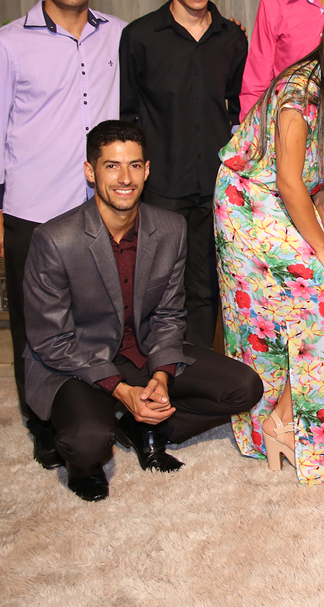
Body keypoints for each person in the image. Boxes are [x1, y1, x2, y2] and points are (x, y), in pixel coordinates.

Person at [22, 121, 262, 502]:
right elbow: (52, 340)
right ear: (90, 172)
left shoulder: (170, 228)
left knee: (245, 388)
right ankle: (100, 433)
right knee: (88, 442)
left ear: (147, 170)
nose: (125, 178)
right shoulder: (54, 240)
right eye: (112, 166)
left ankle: (140, 425)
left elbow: (169, 314)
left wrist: (161, 378)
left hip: (142, 352)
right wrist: (121, 390)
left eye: (134, 166)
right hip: (79, 362)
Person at [0, 0, 125, 472]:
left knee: (101, 316)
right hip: (34, 208)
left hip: (101, 208)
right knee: (36, 326)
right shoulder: (6, 44)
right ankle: (42, 423)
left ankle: (99, 408)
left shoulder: (118, 35)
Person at [216, 0, 324, 485]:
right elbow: (290, 181)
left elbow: (320, 168)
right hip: (248, 200)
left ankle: (283, 420)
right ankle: (275, 424)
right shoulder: (300, 92)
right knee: (321, 300)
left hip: (291, 197)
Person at [119, 0, 247, 349]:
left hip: (215, 187)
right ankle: (154, 372)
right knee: (153, 289)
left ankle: (195, 375)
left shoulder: (232, 38)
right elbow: (126, 113)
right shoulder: (139, 37)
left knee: (206, 289)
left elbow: (239, 109)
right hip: (160, 188)